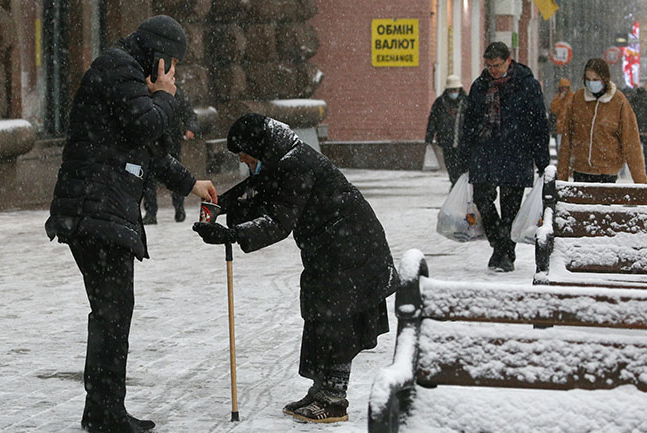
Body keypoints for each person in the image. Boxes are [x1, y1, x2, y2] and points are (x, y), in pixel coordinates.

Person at [44, 15, 217, 433]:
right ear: (159, 57)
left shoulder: (127, 75)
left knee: (111, 313)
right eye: (172, 63)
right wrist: (167, 96)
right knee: (112, 314)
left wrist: (192, 184)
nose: (173, 72)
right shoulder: (119, 67)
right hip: (95, 210)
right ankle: (105, 413)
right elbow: (147, 124)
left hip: (98, 209)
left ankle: (101, 409)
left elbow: (151, 153)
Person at [192, 113, 398, 424]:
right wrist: (222, 204)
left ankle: (334, 399)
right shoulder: (280, 156)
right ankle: (321, 390)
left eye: (246, 158)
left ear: (258, 148)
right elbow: (259, 190)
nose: (246, 164)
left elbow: (278, 220)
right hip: (332, 249)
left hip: (352, 249)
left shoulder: (294, 163)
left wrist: (233, 235)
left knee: (337, 318)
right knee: (320, 311)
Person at [459, 41, 549, 272]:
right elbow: (469, 122)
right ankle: (502, 247)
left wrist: (542, 159)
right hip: (485, 151)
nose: (493, 70)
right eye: (489, 65)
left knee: (510, 208)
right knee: (483, 199)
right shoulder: (480, 86)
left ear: (509, 60)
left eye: (497, 65)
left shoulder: (527, 85)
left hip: (516, 152)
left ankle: (504, 254)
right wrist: (464, 155)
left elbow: (539, 123)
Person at [557, 58, 646, 184]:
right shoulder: (577, 100)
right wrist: (562, 177)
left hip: (607, 173)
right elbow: (566, 141)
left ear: (604, 79)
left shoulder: (618, 101)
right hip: (581, 171)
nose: (591, 83)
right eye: (588, 79)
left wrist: (641, 183)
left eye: (595, 80)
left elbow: (631, 144)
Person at [142, 89, 199, 224]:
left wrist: (190, 127)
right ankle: (151, 212)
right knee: (149, 178)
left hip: (171, 140)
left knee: (174, 173)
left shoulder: (175, 92)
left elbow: (188, 112)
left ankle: (179, 208)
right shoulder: (144, 92)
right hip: (152, 141)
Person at [425, 74, 468, 187]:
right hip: (446, 142)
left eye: (455, 89)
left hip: (462, 142)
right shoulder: (440, 103)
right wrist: (429, 136)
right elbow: (433, 120)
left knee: (462, 168)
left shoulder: (466, 102)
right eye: (451, 90)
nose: (453, 92)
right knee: (451, 167)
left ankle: (458, 188)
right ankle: (455, 186)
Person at [625, 83, 647, 174]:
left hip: (636, 129)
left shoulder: (633, 99)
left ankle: (636, 171)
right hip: (645, 130)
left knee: (634, 153)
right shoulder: (645, 99)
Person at [549, 77, 572, 153]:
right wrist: (559, 100)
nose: (564, 90)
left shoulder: (572, 98)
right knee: (560, 149)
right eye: (562, 88)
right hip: (560, 129)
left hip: (570, 129)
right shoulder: (557, 99)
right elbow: (553, 111)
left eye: (566, 88)